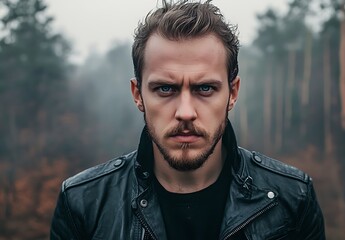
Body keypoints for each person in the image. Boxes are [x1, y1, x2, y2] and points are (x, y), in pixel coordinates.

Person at [50, 0, 325, 239]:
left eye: (205, 88)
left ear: (233, 93)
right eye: (165, 89)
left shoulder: (293, 199)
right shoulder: (82, 204)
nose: (185, 112)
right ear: (138, 95)